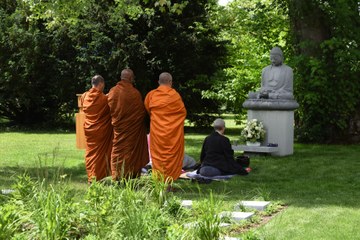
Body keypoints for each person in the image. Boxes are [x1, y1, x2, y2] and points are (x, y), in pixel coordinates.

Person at [144, 72, 187, 182]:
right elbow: (182, 113)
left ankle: (159, 183)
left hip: (158, 133)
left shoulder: (151, 95)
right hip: (172, 134)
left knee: (158, 158)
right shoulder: (175, 96)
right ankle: (169, 183)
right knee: (171, 157)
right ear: (171, 82)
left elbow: (148, 110)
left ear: (158, 82)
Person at [107, 68, 149, 180]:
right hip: (132, 130)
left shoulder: (113, 91)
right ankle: (132, 175)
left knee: (118, 151)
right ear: (131, 78)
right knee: (131, 152)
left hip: (120, 130)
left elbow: (110, 110)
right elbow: (141, 113)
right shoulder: (135, 93)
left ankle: (117, 176)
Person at [81, 75, 113, 183]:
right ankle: (97, 177)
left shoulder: (84, 96)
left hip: (89, 130)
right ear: (101, 84)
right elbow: (108, 105)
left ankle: (91, 176)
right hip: (100, 131)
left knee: (91, 153)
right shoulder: (104, 99)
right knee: (99, 154)